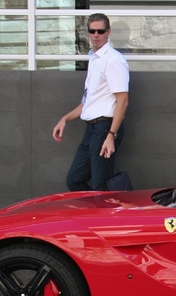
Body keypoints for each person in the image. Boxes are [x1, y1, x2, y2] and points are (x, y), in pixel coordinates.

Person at [53, 13, 130, 191]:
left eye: (100, 31)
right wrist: (65, 119)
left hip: (105, 128)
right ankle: (95, 215)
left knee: (100, 185)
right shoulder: (94, 59)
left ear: (108, 32)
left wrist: (111, 135)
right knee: (75, 180)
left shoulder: (113, 60)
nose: (96, 35)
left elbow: (123, 101)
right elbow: (88, 102)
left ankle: (110, 216)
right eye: (92, 31)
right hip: (91, 130)